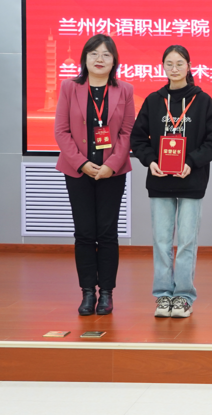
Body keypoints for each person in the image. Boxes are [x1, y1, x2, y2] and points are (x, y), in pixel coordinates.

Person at [130, 45, 212, 318]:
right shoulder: (153, 100)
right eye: (169, 63)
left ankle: (183, 296)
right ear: (163, 67)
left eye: (179, 63)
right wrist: (151, 161)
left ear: (189, 66)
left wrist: (191, 162)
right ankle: (162, 295)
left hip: (191, 181)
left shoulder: (203, 101)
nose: (174, 68)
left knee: (186, 242)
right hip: (159, 181)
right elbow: (138, 138)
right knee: (161, 241)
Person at [55, 34, 134, 316]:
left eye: (106, 55)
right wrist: (82, 163)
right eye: (94, 54)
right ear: (84, 58)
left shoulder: (125, 90)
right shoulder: (69, 87)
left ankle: (107, 294)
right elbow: (61, 131)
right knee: (85, 233)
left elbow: (127, 132)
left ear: (114, 61)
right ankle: (88, 292)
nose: (99, 59)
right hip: (78, 172)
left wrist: (111, 164)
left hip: (112, 172)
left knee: (107, 233)